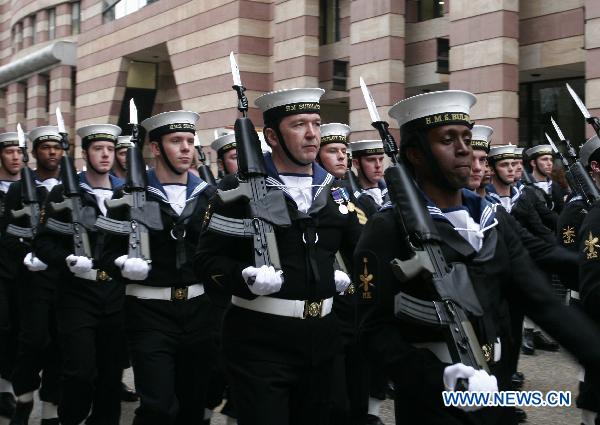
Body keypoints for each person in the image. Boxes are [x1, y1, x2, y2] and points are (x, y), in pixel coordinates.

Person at [355, 89, 600, 425]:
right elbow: (372, 332)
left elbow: (544, 304)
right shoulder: (387, 229)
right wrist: (438, 376)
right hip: (432, 401)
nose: (463, 149)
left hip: (495, 386)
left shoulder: (493, 222)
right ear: (415, 154)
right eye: (447, 139)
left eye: (467, 138)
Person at [195, 87, 362, 425]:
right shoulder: (233, 191)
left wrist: (341, 276)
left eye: (316, 123)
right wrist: (243, 277)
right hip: (260, 339)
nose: (313, 133)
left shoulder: (334, 191)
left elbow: (359, 253)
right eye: (299, 124)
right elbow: (206, 262)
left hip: (324, 336)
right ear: (271, 135)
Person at [98, 111, 218, 425]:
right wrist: (121, 264)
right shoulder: (127, 194)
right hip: (148, 312)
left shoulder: (208, 195)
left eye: (190, 141)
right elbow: (104, 253)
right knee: (158, 407)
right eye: (176, 141)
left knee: (193, 406)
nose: (185, 148)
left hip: (199, 311)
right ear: (155, 148)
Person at [35, 124, 125, 425]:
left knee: (111, 375)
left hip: (115, 293)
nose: (105, 155)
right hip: (77, 294)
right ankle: (70, 419)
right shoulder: (65, 191)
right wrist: (67, 259)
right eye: (98, 149)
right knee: (80, 371)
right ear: (85, 153)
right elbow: (43, 241)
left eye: (110, 149)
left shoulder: (126, 192)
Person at [4, 126, 64, 425]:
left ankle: (51, 409)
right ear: (35, 152)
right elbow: (7, 233)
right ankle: (24, 398)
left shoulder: (71, 186)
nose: (52, 152)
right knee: (33, 341)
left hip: (64, 278)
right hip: (31, 279)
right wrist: (23, 254)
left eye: (56, 146)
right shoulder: (19, 188)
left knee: (59, 343)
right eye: (45, 147)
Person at [0, 132, 23, 419]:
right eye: (9, 152)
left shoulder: (29, 187)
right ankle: (4, 388)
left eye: (19, 152)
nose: (16, 157)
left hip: (23, 270)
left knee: (18, 328)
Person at [349, 140, 388, 217]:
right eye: (371, 160)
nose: (378, 165)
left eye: (381, 159)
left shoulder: (392, 192)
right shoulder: (351, 197)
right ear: (356, 164)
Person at [485, 145, 520, 212]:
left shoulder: (522, 196)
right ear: (492, 170)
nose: (511, 169)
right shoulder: (485, 199)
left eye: (513, 164)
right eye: (504, 165)